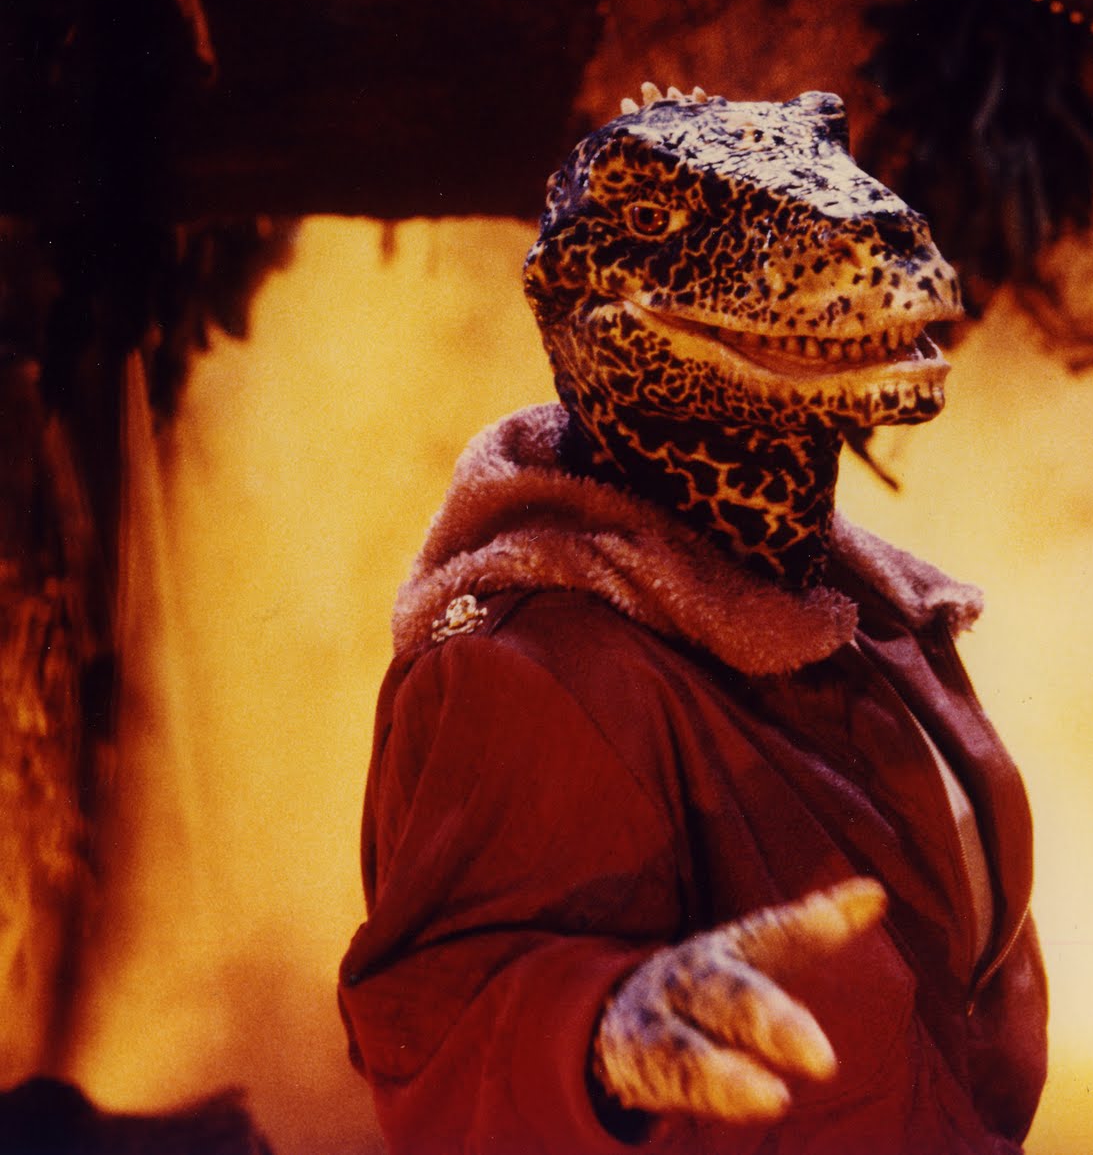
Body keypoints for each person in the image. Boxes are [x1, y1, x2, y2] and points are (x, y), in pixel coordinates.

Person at [338, 86, 1047, 1154]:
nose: (861, 228)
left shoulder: (862, 611)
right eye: (660, 216)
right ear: (577, 288)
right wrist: (599, 1039)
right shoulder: (529, 672)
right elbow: (439, 1022)